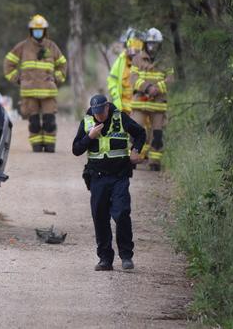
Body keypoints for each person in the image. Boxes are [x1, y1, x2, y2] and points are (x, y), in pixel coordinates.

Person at [72, 95, 146, 271]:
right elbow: (76, 149)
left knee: (121, 214)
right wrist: (89, 137)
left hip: (119, 176)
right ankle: (105, 259)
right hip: (97, 178)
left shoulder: (120, 118)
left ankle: (126, 256)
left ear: (107, 107)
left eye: (102, 112)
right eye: (96, 113)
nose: (100, 116)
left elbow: (140, 133)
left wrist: (136, 150)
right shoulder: (87, 122)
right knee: (100, 217)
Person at [3, 14, 67, 153]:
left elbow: (62, 65)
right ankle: (37, 148)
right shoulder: (23, 47)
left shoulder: (51, 47)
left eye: (41, 30)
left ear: (45, 31)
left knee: (49, 122)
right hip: (29, 92)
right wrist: (17, 78)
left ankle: (50, 147)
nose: (38, 32)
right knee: (34, 123)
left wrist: (56, 78)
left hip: (48, 92)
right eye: (35, 30)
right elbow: (8, 63)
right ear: (31, 31)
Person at [129, 27, 174, 171]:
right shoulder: (137, 59)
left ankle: (155, 162)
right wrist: (148, 88)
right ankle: (133, 159)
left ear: (160, 45)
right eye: (149, 43)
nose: (152, 46)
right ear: (145, 43)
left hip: (158, 104)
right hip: (141, 102)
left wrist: (158, 88)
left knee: (157, 135)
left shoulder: (166, 61)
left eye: (155, 44)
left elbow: (171, 79)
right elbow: (133, 78)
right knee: (135, 131)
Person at [107, 28, 144, 114]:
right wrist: (116, 97)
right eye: (131, 47)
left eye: (136, 48)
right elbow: (112, 80)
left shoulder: (145, 61)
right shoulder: (121, 60)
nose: (133, 51)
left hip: (140, 109)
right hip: (123, 109)